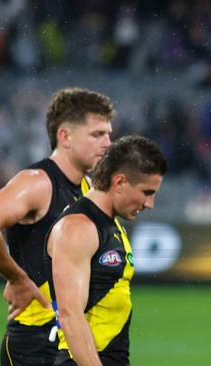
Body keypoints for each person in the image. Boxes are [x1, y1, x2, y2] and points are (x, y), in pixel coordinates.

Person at [0, 88, 114, 365]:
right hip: (34, 346)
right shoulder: (38, 182)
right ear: (65, 136)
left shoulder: (87, 189)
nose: (108, 143)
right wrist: (17, 278)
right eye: (97, 134)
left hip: (69, 342)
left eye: (109, 134)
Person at [44, 135, 167, 366]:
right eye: (147, 192)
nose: (150, 204)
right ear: (119, 182)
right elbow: (71, 316)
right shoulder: (77, 228)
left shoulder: (112, 225)